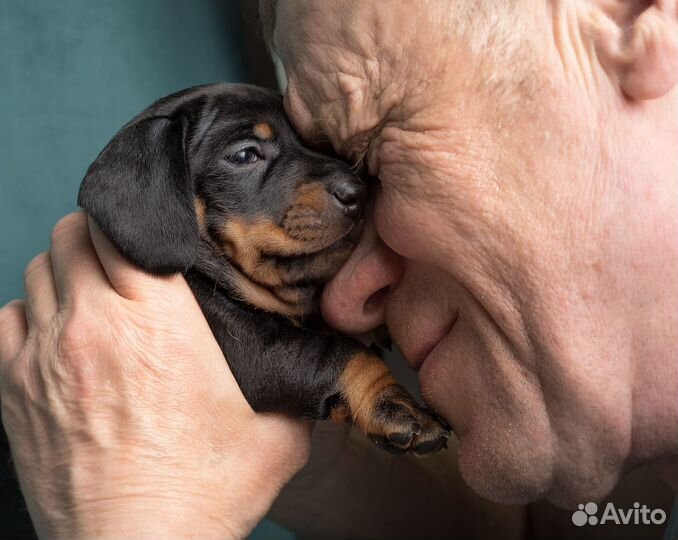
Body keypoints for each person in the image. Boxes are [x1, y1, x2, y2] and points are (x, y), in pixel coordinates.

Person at [0, 0, 676, 538]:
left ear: (637, 19)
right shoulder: (631, 487)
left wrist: (136, 511)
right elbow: (542, 529)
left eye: (375, 150)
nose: (346, 302)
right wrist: (276, 425)